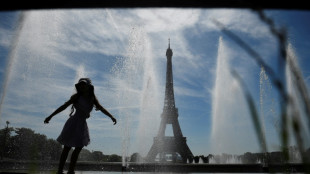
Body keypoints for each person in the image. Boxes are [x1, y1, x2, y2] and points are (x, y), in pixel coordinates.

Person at [44, 78, 117, 174]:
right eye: (80, 85)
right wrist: (50, 116)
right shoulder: (76, 97)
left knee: (78, 148)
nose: (82, 86)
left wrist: (111, 116)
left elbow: (101, 108)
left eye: (84, 84)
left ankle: (71, 170)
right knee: (67, 147)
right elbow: (64, 106)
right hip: (73, 123)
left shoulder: (92, 98)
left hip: (82, 124)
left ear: (88, 86)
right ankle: (60, 171)